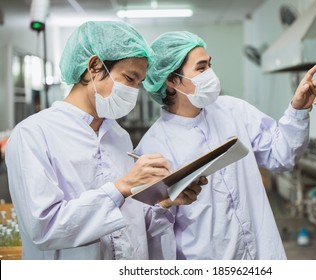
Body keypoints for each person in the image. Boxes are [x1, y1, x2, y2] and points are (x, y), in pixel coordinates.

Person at [5, 22, 205, 260]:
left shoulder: (118, 136)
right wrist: (122, 186)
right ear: (95, 67)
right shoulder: (33, 134)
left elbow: (129, 221)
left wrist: (164, 201)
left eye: (139, 83)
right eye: (130, 78)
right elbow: (44, 228)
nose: (134, 90)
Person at [135, 31, 316, 259]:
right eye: (201, 68)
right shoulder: (153, 147)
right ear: (172, 80)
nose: (211, 74)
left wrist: (298, 108)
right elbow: (149, 230)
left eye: (210, 65)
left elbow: (281, 155)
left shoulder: (233, 111)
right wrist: (164, 203)